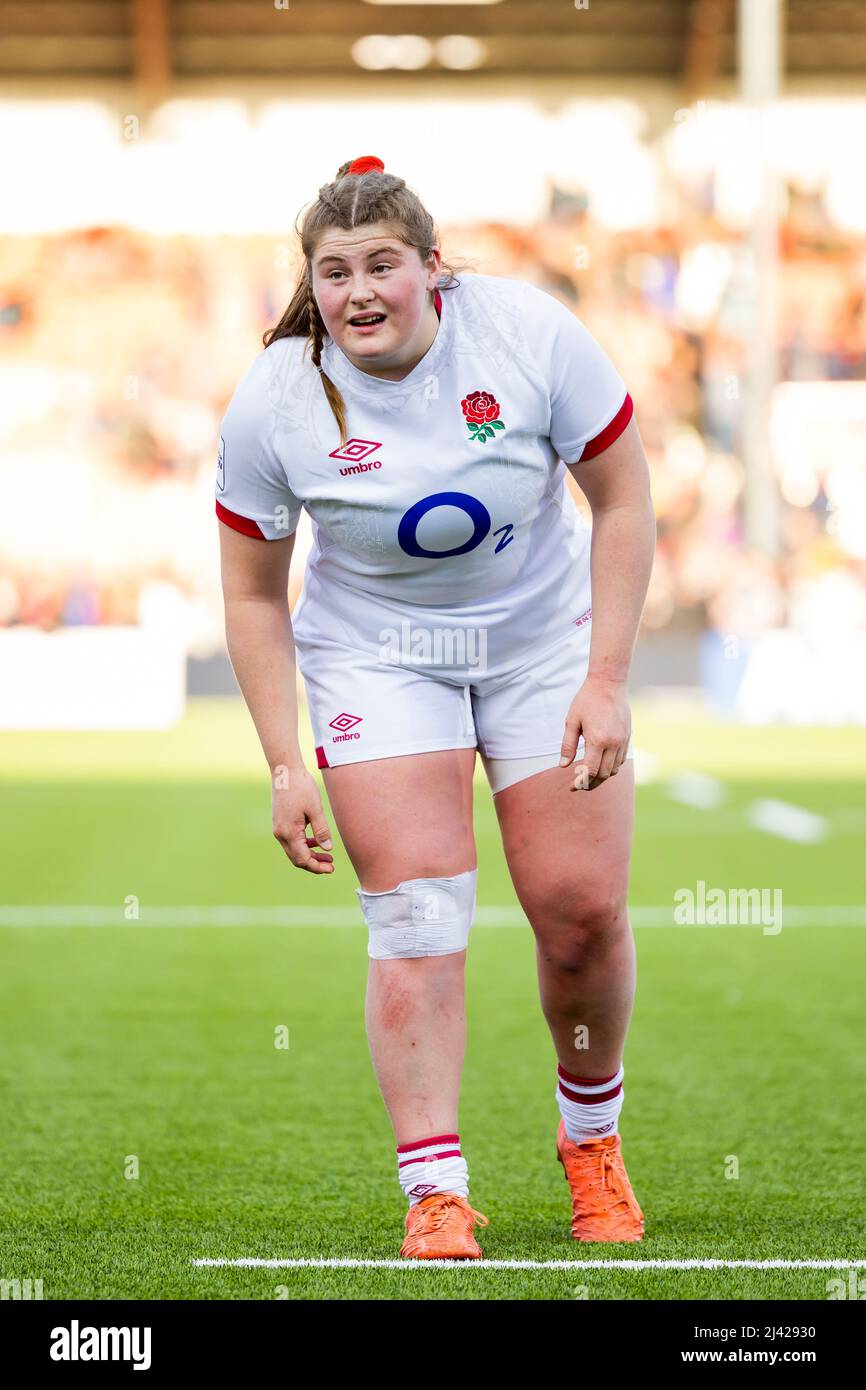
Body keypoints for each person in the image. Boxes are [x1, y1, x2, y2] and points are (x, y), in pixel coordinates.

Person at [216, 155, 656, 1259]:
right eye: (333, 272)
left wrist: (604, 676)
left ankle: (589, 1140)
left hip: (535, 639)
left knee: (577, 912)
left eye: (381, 265)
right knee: (414, 917)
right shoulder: (274, 396)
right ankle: (435, 1190)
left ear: (432, 269)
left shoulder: (527, 335)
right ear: (309, 284)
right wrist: (283, 763)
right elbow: (250, 591)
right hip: (377, 656)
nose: (358, 291)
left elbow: (621, 496)